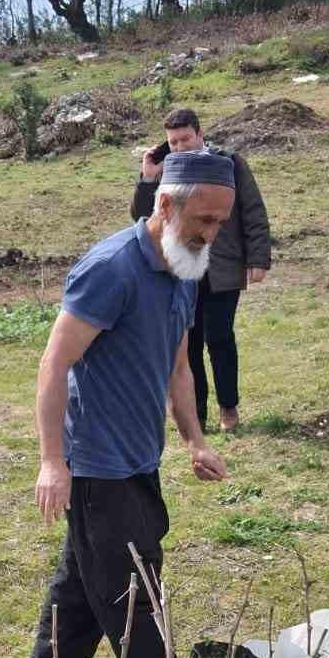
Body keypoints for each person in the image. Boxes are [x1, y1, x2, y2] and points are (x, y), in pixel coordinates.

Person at [10, 152, 235, 658]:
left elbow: (178, 368)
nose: (211, 234)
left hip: (140, 457)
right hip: (96, 465)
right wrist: (52, 461)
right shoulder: (111, 269)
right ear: (165, 203)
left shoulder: (184, 268)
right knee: (131, 587)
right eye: (203, 220)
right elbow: (54, 363)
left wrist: (194, 440)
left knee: (85, 579)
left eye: (220, 223)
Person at [130, 107, 271, 433]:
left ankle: (228, 409)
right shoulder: (166, 172)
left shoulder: (229, 163)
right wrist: (149, 178)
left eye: (185, 139)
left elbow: (252, 210)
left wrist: (258, 259)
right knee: (186, 344)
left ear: (199, 134)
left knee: (220, 338)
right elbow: (142, 218)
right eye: (173, 142)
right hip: (180, 270)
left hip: (222, 267)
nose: (179, 147)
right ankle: (196, 415)